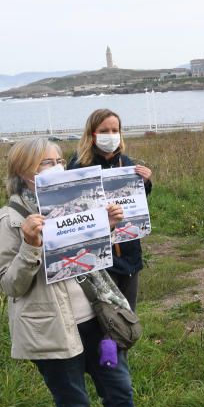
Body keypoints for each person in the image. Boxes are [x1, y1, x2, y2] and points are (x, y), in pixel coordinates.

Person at [0, 137, 169, 407]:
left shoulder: (74, 205)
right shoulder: (7, 221)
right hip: (52, 327)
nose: (56, 166)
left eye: (58, 159)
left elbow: (91, 257)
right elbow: (10, 286)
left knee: (119, 388)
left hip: (97, 320)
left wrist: (108, 227)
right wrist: (30, 245)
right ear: (23, 172)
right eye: (45, 163)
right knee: (73, 401)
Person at [67, 108, 153, 311]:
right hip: (98, 258)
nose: (111, 135)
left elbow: (136, 205)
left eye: (115, 130)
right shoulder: (78, 167)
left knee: (127, 317)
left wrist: (145, 182)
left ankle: (122, 344)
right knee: (105, 317)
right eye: (105, 131)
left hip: (129, 253)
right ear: (92, 134)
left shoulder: (126, 163)